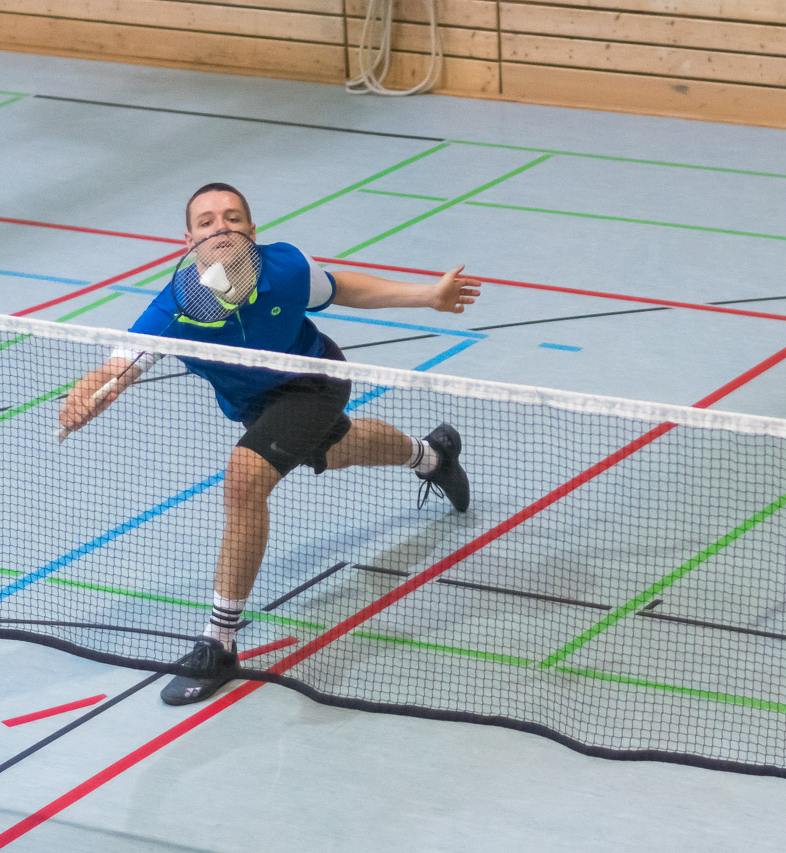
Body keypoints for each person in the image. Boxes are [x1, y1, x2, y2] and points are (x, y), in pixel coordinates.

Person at [59, 183, 482, 701]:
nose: (221, 227)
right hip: (257, 406)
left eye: (232, 217)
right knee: (336, 449)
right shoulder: (174, 309)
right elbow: (119, 365)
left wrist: (429, 296)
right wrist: (88, 396)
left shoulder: (285, 269)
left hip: (314, 378)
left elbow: (341, 288)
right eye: (207, 221)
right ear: (189, 241)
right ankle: (433, 455)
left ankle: (218, 643)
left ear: (251, 231)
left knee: (244, 480)